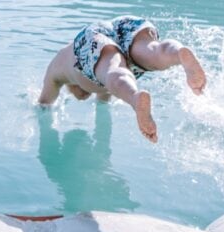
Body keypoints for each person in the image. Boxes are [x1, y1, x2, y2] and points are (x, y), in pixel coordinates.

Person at [38, 16, 207, 142]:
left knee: (115, 70)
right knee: (153, 51)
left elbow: (44, 104)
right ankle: (178, 53)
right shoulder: (99, 86)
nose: (83, 98)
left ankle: (134, 98)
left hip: (90, 38)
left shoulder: (58, 71)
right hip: (123, 23)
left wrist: (42, 108)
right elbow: (103, 120)